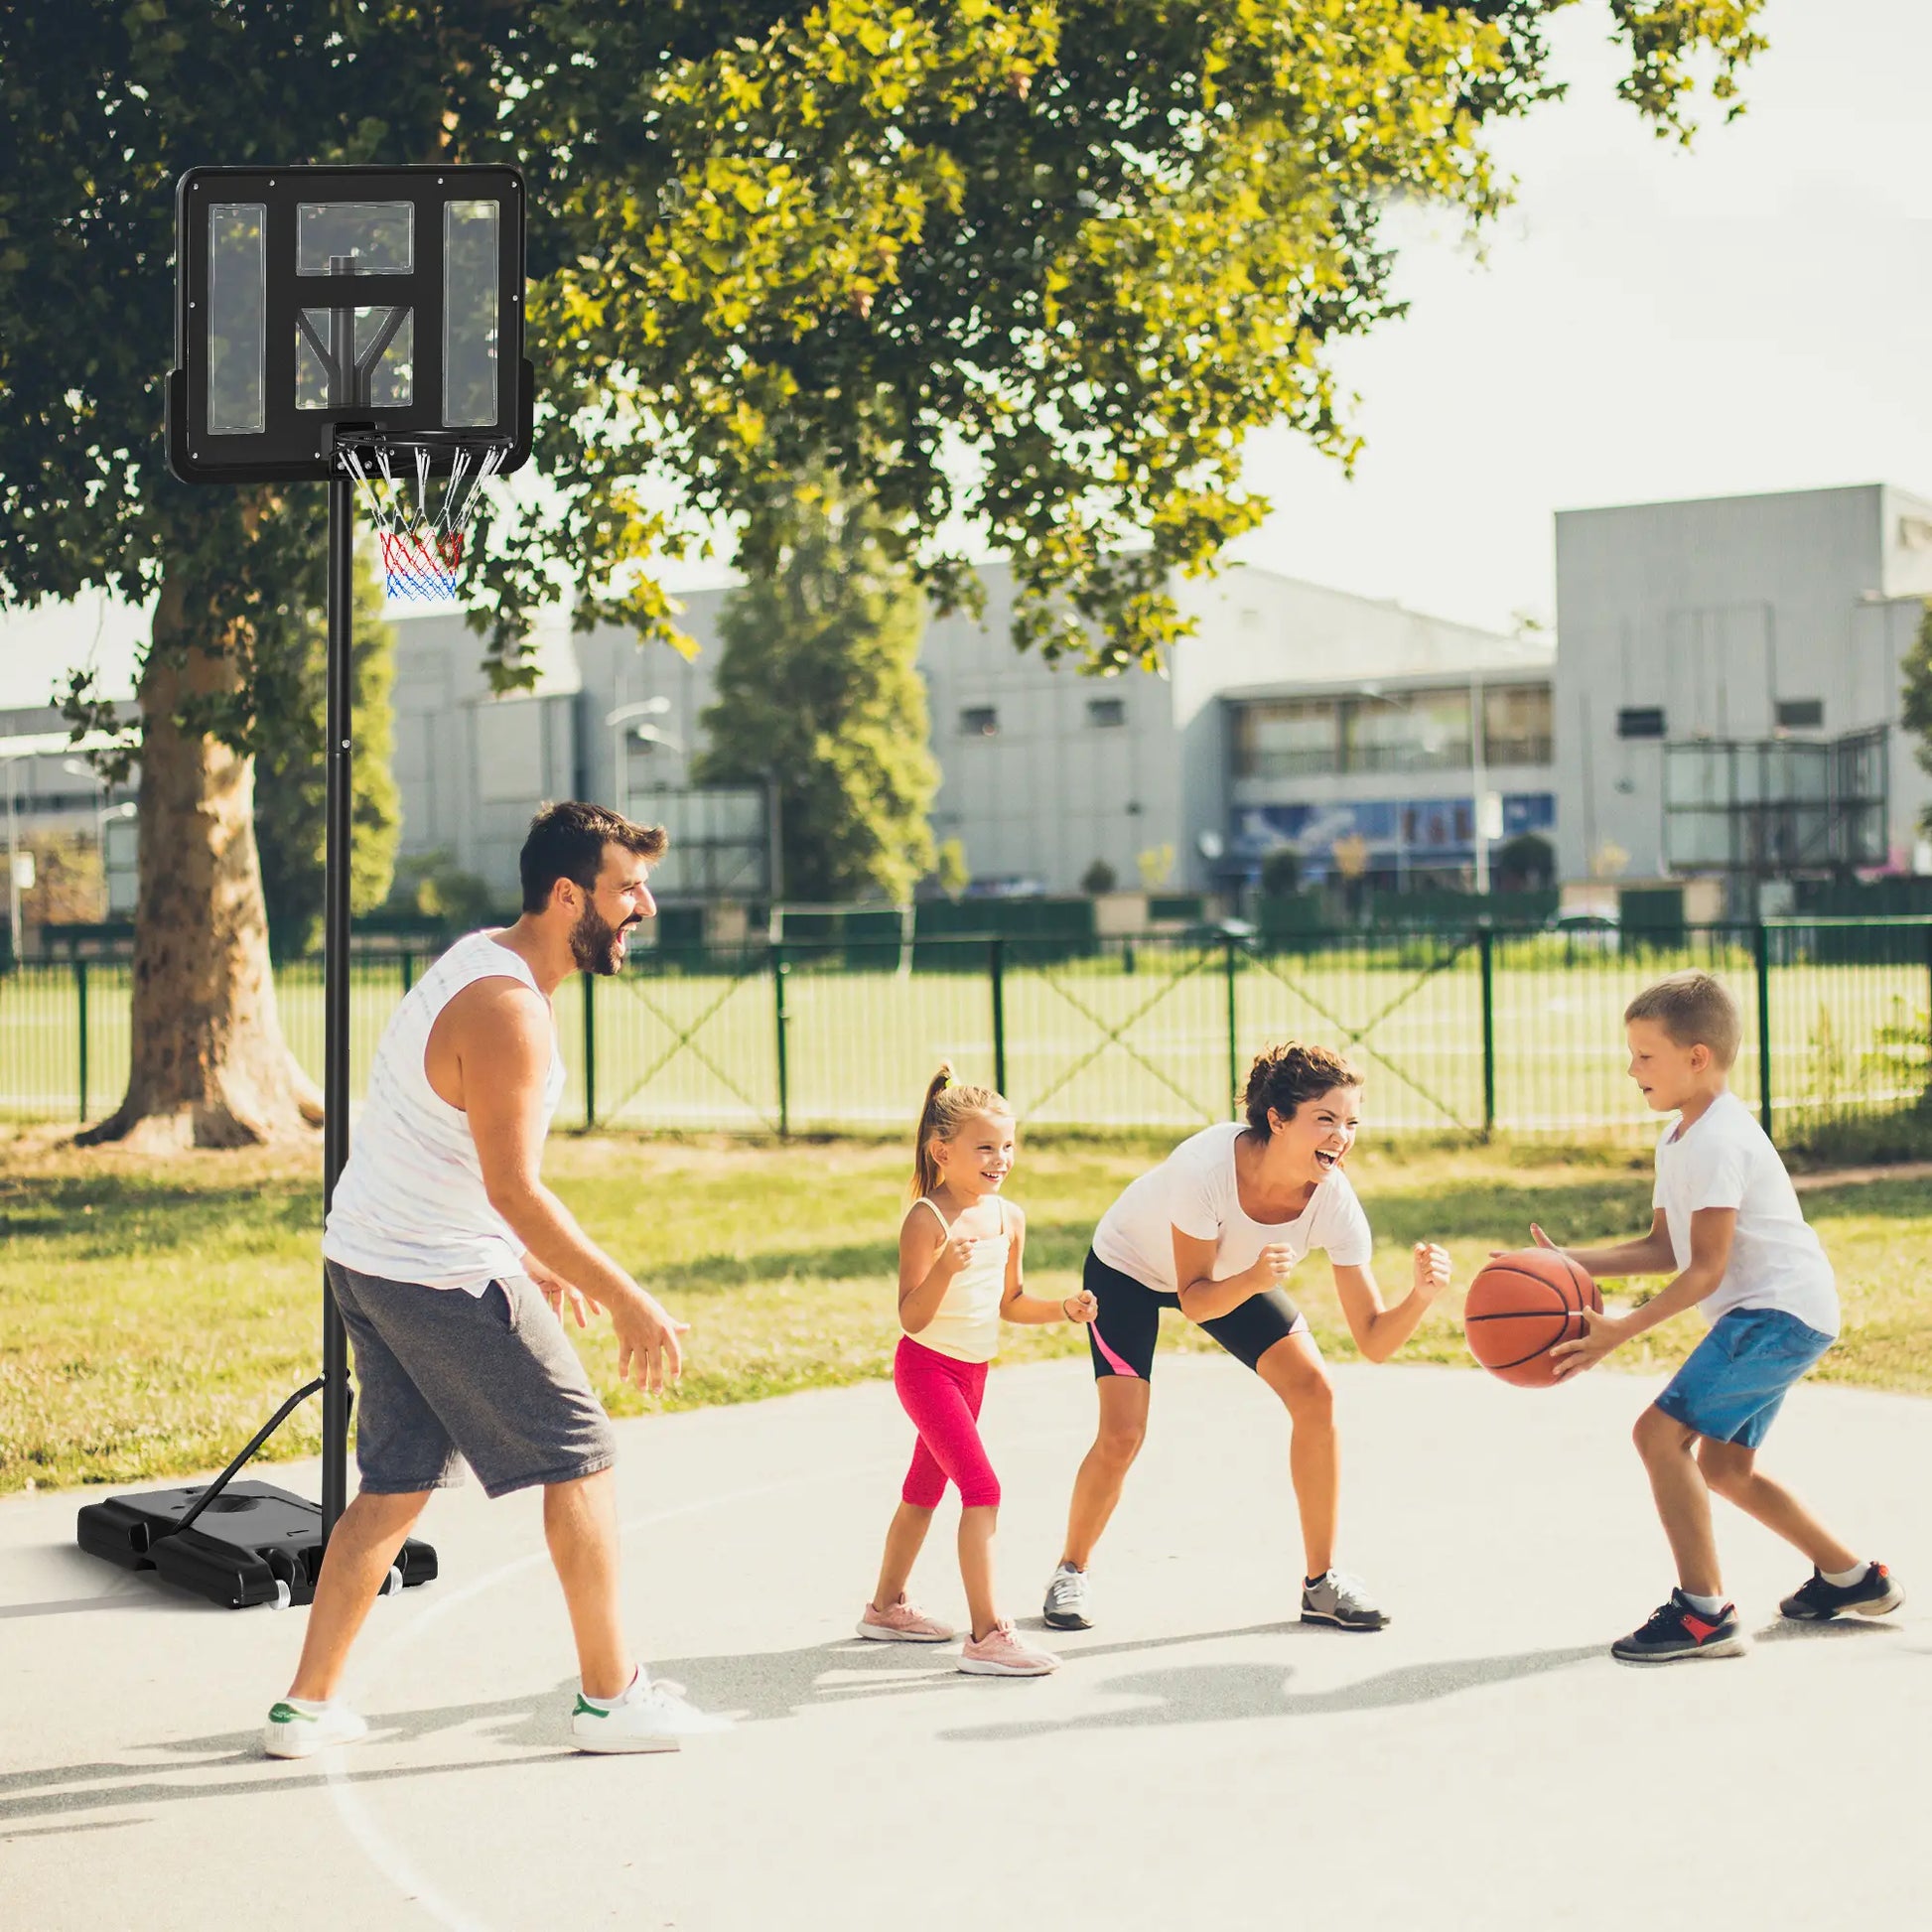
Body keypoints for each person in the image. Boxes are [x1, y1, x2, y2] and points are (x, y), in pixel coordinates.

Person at [264, 801, 722, 1757]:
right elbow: (515, 1187)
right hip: (436, 1274)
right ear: (568, 896)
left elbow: (443, 1146)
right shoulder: (511, 1008)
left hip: (370, 1260)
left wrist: (517, 1255)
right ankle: (611, 1698)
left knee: (393, 1484)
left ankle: (305, 1709)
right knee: (582, 1460)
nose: (642, 906)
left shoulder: (482, 961)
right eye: (626, 889)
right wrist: (631, 1298)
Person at [1539, 969, 1901, 1662]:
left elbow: (1703, 1270)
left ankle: (1703, 1614)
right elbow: (1664, 1247)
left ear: (1696, 1056)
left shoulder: (1717, 1141)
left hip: (1776, 1315)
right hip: (1782, 1313)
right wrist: (1566, 1263)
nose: (1631, 1068)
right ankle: (1852, 1578)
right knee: (1726, 1468)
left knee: (1658, 1436)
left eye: (1646, 1055)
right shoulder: (1680, 1137)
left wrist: (1620, 1329)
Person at [1041, 1041, 1451, 1634]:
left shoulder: (1333, 1200)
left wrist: (1420, 1297)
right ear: (1278, 1119)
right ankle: (1070, 1570)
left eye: (1351, 1122)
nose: (1341, 1136)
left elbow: (1373, 1340)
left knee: (1317, 1394)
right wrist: (1256, 1277)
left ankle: (1322, 1583)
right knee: (1123, 1432)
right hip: (1130, 1270)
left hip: (1235, 1273)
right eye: (1326, 1119)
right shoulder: (1205, 1169)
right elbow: (1195, 1297)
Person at [858, 1066, 1100, 1675]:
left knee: (924, 1489)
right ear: (943, 1151)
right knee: (982, 1489)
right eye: (986, 1147)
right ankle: (987, 1634)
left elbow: (1011, 1304)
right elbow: (912, 1318)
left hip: (973, 1373)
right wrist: (943, 1269)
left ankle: (885, 1607)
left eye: (1008, 1146)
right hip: (927, 1369)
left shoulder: (1007, 1217)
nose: (1001, 1159)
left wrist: (1064, 1310)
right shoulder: (927, 1220)